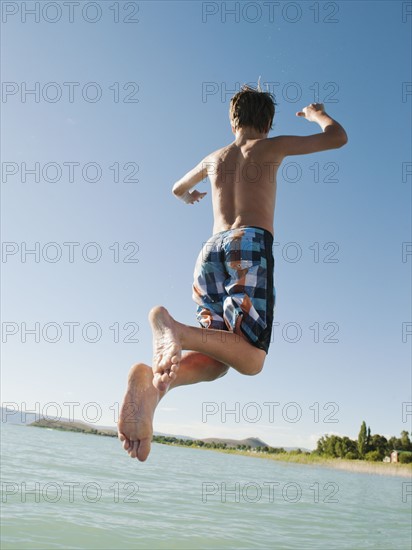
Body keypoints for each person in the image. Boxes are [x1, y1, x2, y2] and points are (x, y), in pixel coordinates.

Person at [118, 84, 348, 461]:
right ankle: (173, 328)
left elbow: (176, 187)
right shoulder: (271, 147)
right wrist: (315, 114)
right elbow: (337, 138)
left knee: (218, 362)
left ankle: (154, 389)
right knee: (253, 358)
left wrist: (189, 197)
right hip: (249, 245)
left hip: (210, 252)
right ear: (269, 123)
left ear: (231, 121)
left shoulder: (215, 157)